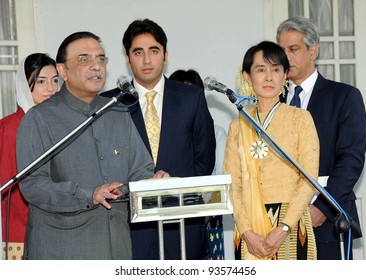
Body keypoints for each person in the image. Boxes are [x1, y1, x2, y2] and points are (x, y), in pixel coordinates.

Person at [16, 31, 168, 260]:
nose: (96, 66)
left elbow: (140, 170)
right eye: (84, 59)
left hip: (116, 249)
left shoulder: (117, 112)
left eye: (101, 59)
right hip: (63, 252)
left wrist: (151, 182)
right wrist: (88, 194)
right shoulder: (39, 118)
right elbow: (33, 185)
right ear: (62, 71)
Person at [101, 19, 216, 260]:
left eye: (154, 51)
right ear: (127, 58)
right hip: (128, 223)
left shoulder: (191, 98)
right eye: (138, 52)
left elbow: (204, 158)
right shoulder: (110, 104)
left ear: (165, 55)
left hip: (182, 220)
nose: (146, 60)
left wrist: (178, 189)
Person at [276, 16, 366, 260]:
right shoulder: (272, 103)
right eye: (281, 51)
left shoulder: (344, 97)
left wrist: (323, 207)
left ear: (313, 50)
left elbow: (351, 160)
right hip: (279, 225)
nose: (286, 57)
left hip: (327, 223)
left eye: (293, 49)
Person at [224, 40, 319, 260]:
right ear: (247, 76)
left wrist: (283, 227)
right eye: (261, 70)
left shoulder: (300, 119)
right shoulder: (239, 126)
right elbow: (232, 184)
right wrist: (247, 231)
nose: (269, 77)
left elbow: (309, 178)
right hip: (249, 229)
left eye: (276, 70)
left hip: (291, 223)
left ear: (286, 75)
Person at [1, 53, 59, 260]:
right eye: (41, 81)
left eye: (55, 81)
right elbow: (8, 188)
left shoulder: (58, 125)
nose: (51, 88)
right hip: (21, 231)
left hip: (56, 228)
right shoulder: (10, 127)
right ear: (25, 86)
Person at [169, 69, 226, 260]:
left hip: (207, 217)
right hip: (168, 216)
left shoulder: (217, 133)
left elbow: (220, 179)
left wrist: (203, 212)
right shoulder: (160, 135)